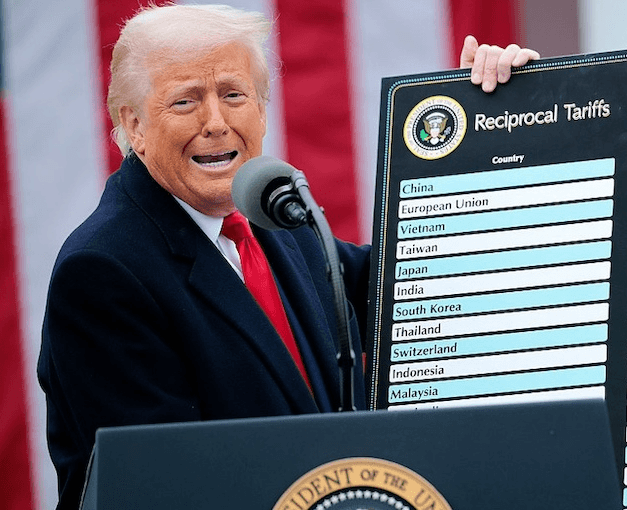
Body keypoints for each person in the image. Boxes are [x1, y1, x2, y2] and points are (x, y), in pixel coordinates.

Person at [37, 4, 540, 509]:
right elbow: (168, 484)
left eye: (234, 95)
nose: (216, 122)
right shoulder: (102, 272)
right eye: (185, 102)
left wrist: (492, 124)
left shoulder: (272, 214)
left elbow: (412, 290)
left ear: (261, 107)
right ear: (135, 125)